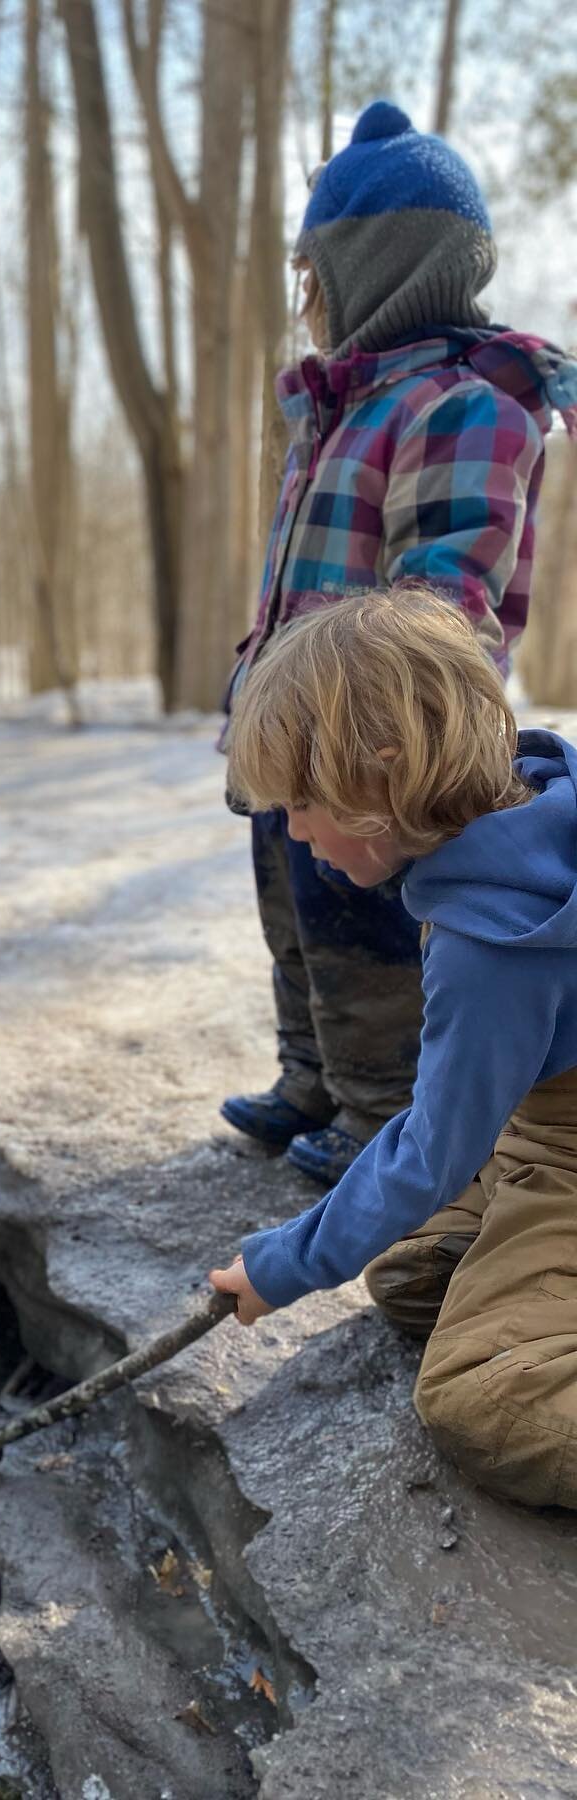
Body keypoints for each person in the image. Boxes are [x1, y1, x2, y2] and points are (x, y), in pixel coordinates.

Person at [218, 100, 577, 1188]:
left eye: (312, 274)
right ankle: (312, 1076)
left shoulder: (465, 408)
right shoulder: (334, 408)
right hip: (295, 731)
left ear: (371, 266)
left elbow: (441, 607)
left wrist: (358, 734)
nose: (306, 299)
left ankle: (381, 1110)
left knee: (363, 931)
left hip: (372, 748)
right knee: (289, 904)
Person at [211, 588, 577, 1510]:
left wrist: (282, 1264)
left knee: (481, 1397)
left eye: (301, 803)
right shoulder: (530, 806)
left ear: (384, 771)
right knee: (411, 1276)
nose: (293, 832)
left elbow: (434, 1147)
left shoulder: (491, 942)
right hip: (539, 1127)